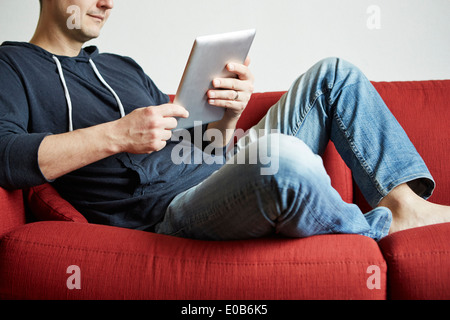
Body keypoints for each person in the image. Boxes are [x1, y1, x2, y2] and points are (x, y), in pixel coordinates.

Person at [1, 0, 449, 241]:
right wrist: (117, 135)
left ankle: (404, 203)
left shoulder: (124, 66)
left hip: (227, 168)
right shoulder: (12, 65)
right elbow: (6, 155)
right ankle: (379, 226)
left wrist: (228, 116)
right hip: (172, 212)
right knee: (283, 159)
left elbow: (198, 149)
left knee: (334, 74)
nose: (108, 2)